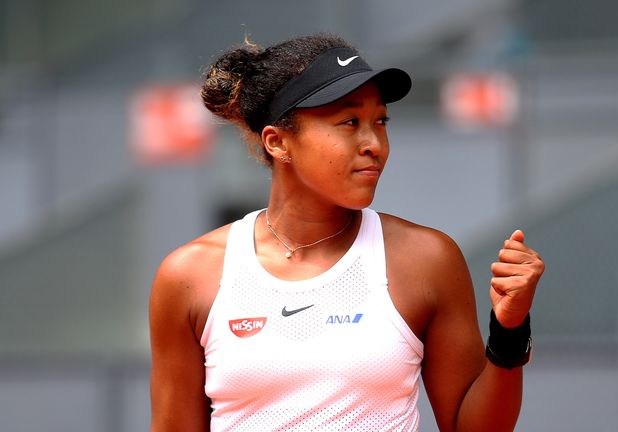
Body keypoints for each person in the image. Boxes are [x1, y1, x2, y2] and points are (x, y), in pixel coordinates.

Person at [149, 33, 544, 432]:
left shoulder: (427, 260)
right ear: (278, 142)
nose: (374, 143)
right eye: (350, 122)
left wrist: (509, 332)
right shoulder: (189, 276)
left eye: (381, 121)